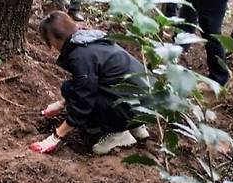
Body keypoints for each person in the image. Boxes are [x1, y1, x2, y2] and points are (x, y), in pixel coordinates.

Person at [30, 11, 150, 155]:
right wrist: (61, 104)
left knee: (76, 94)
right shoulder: (89, 39)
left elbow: (83, 101)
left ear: (57, 38)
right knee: (69, 89)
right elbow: (85, 84)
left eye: (49, 41)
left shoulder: (81, 55)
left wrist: (55, 138)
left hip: (130, 104)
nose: (51, 46)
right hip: (144, 101)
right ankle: (135, 126)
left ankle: (118, 133)